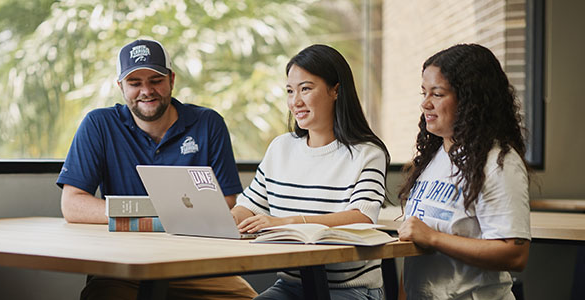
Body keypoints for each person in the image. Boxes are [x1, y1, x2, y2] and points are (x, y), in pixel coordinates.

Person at [56, 39, 257, 300]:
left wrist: (139, 217)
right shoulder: (99, 124)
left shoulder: (208, 123)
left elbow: (227, 200)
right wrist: (155, 220)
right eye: (135, 83)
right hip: (122, 266)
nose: (146, 91)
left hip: (198, 264)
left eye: (155, 80)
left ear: (172, 80)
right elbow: (72, 205)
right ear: (121, 87)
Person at [231, 44, 391, 300]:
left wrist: (290, 222)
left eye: (306, 89)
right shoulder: (280, 148)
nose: (295, 101)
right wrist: (232, 219)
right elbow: (250, 205)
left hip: (351, 289)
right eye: (290, 91)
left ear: (335, 90)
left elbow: (362, 217)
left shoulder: (367, 152)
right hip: (291, 286)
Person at [397, 43, 531, 300]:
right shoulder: (432, 159)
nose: (425, 104)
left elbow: (515, 254)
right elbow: (415, 252)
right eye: (423, 93)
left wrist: (434, 238)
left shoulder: (498, 161)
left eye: (437, 94)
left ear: (470, 99)